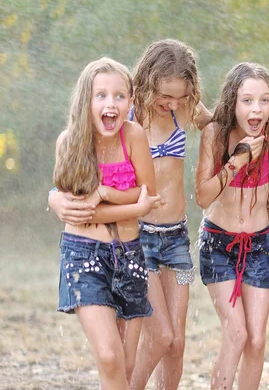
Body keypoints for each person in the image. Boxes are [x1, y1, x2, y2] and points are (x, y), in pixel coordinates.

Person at [53, 57, 160, 389]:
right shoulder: (70, 143)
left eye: (119, 96)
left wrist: (104, 192)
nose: (110, 104)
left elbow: (149, 196)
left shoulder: (134, 136)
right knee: (110, 357)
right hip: (84, 256)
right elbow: (81, 213)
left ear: (130, 101)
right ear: (86, 100)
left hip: (130, 256)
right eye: (100, 95)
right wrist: (127, 202)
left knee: (125, 366)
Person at [128, 39, 212, 390]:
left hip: (177, 238)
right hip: (139, 238)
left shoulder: (186, 108)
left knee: (176, 344)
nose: (173, 103)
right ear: (147, 82)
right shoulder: (129, 114)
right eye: (165, 95)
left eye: (181, 95)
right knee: (160, 336)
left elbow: (224, 120)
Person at [195, 62, 269, 390]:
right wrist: (237, 161)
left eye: (264, 100)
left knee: (257, 340)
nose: (256, 109)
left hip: (258, 244)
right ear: (233, 102)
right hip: (219, 244)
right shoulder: (215, 135)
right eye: (247, 100)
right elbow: (202, 197)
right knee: (237, 332)